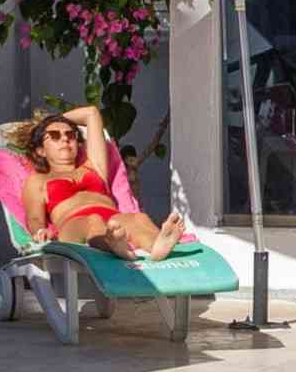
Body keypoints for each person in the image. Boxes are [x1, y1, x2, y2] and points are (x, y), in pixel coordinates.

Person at [16, 102, 195, 262]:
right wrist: (40, 232)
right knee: (93, 221)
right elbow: (34, 218)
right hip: (73, 225)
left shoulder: (93, 166)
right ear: (40, 150)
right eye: (54, 135)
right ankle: (113, 246)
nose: (65, 138)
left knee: (138, 219)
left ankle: (157, 246)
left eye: (70, 134)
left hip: (112, 219)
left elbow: (91, 113)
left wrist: (56, 120)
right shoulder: (38, 180)